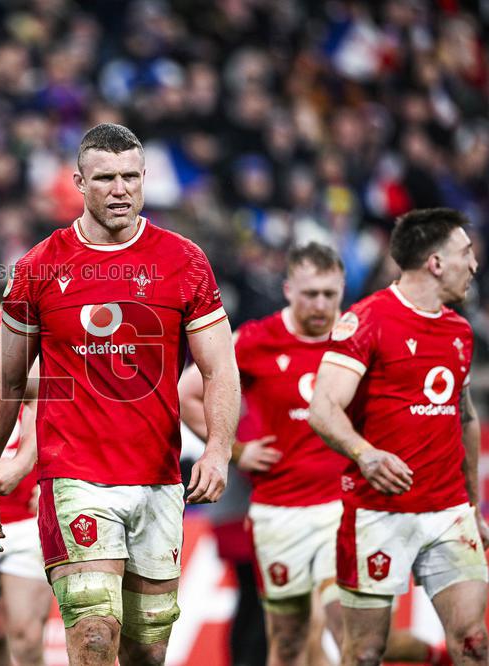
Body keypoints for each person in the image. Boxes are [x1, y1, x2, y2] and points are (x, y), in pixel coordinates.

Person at [0, 122, 241, 666]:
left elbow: (219, 367)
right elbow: (7, 382)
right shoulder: (38, 268)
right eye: (105, 178)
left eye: (131, 178)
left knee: (148, 650)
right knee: (94, 637)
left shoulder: (183, 261)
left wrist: (216, 448)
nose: (120, 190)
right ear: (79, 182)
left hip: (158, 480)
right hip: (75, 477)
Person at [180, 242, 447, 666]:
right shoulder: (255, 340)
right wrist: (234, 449)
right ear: (289, 289)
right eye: (310, 294)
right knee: (287, 644)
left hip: (345, 509)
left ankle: (437, 656)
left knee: (353, 640)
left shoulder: (360, 338)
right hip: (279, 513)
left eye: (329, 294)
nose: (320, 305)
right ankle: (434, 656)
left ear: (343, 289)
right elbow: (188, 392)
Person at [309, 207, 489, 666]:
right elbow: (323, 408)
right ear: (435, 262)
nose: (474, 264)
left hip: (448, 513)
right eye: (465, 253)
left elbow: (465, 419)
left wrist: (472, 504)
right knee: (366, 653)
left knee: (474, 641)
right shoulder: (365, 320)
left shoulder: (459, 331)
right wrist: (365, 454)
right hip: (378, 513)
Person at [0, 280, 51, 666]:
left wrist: (26, 467)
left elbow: (48, 408)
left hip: (26, 517)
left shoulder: (36, 361)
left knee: (25, 635)